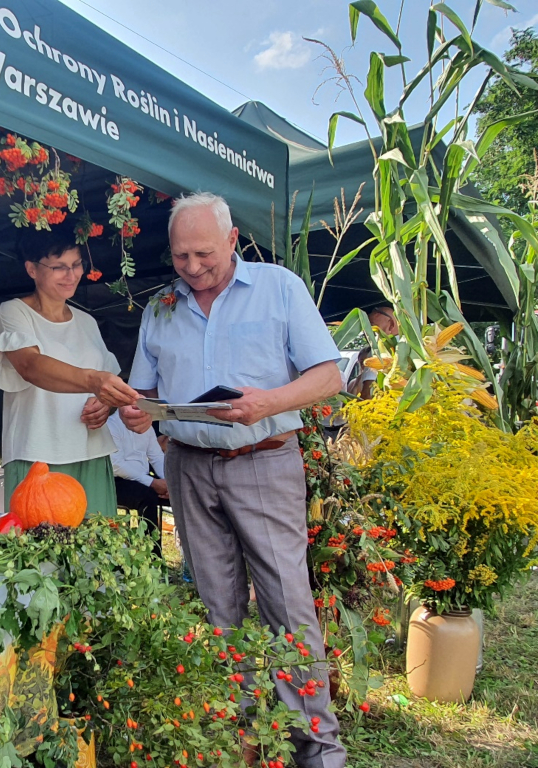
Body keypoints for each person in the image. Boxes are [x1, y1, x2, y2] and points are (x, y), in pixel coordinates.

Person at [120, 192, 346, 768]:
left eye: (204, 254)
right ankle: (243, 737)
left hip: (263, 460)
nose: (192, 267)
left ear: (232, 240)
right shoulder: (161, 306)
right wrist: (135, 410)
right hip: (189, 467)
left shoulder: (279, 288)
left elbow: (328, 377)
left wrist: (269, 401)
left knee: (287, 605)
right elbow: (144, 391)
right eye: (181, 256)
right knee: (218, 606)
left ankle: (317, 748)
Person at [0, 225, 138, 515]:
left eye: (77, 264)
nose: (71, 275)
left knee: (98, 541)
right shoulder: (14, 311)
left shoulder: (87, 322)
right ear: (31, 269)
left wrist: (105, 404)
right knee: (39, 543)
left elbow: (107, 384)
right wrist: (93, 382)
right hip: (37, 455)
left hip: (91, 451)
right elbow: (31, 366)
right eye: (59, 267)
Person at [106, 409, 168, 554]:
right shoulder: (111, 424)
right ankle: (152, 555)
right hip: (116, 481)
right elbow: (116, 466)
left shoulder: (146, 426)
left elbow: (157, 457)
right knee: (147, 496)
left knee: (181, 494)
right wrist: (152, 483)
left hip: (143, 479)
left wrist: (169, 483)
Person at [357, 306, 398, 399]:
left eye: (372, 328)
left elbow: (368, 391)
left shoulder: (378, 350)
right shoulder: (414, 346)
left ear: (391, 325)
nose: (367, 334)